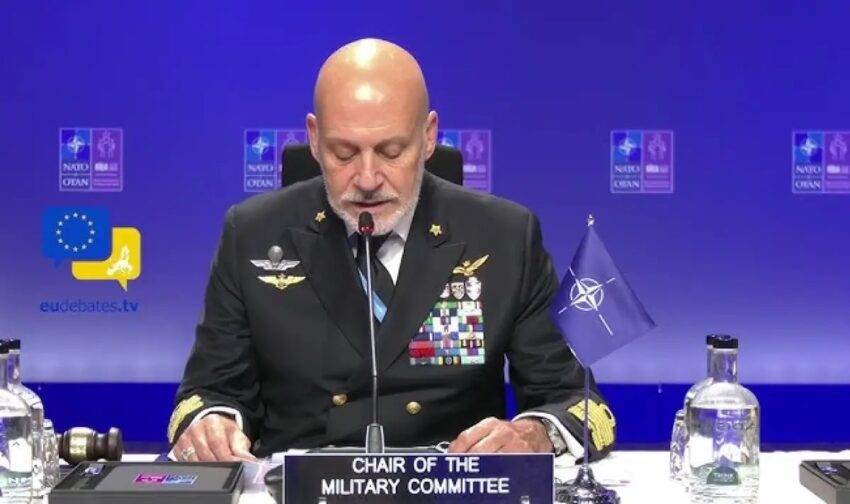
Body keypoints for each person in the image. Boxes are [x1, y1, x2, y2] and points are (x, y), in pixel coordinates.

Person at [169, 38, 615, 463]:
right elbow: (209, 392)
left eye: (391, 151)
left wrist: (534, 433)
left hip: (450, 489)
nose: (367, 179)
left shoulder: (504, 236)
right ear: (315, 139)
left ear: (428, 136)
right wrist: (212, 424)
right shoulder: (252, 233)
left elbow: (577, 401)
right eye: (344, 153)